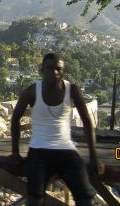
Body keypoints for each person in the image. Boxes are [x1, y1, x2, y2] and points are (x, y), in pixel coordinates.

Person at [10, 52, 104, 206]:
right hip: (39, 150)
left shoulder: (72, 90)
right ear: (42, 70)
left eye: (58, 69)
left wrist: (94, 157)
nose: (55, 72)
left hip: (66, 150)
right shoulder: (32, 91)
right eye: (50, 68)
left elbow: (87, 121)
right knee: (35, 197)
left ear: (63, 71)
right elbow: (15, 119)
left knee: (85, 195)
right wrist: (15, 152)